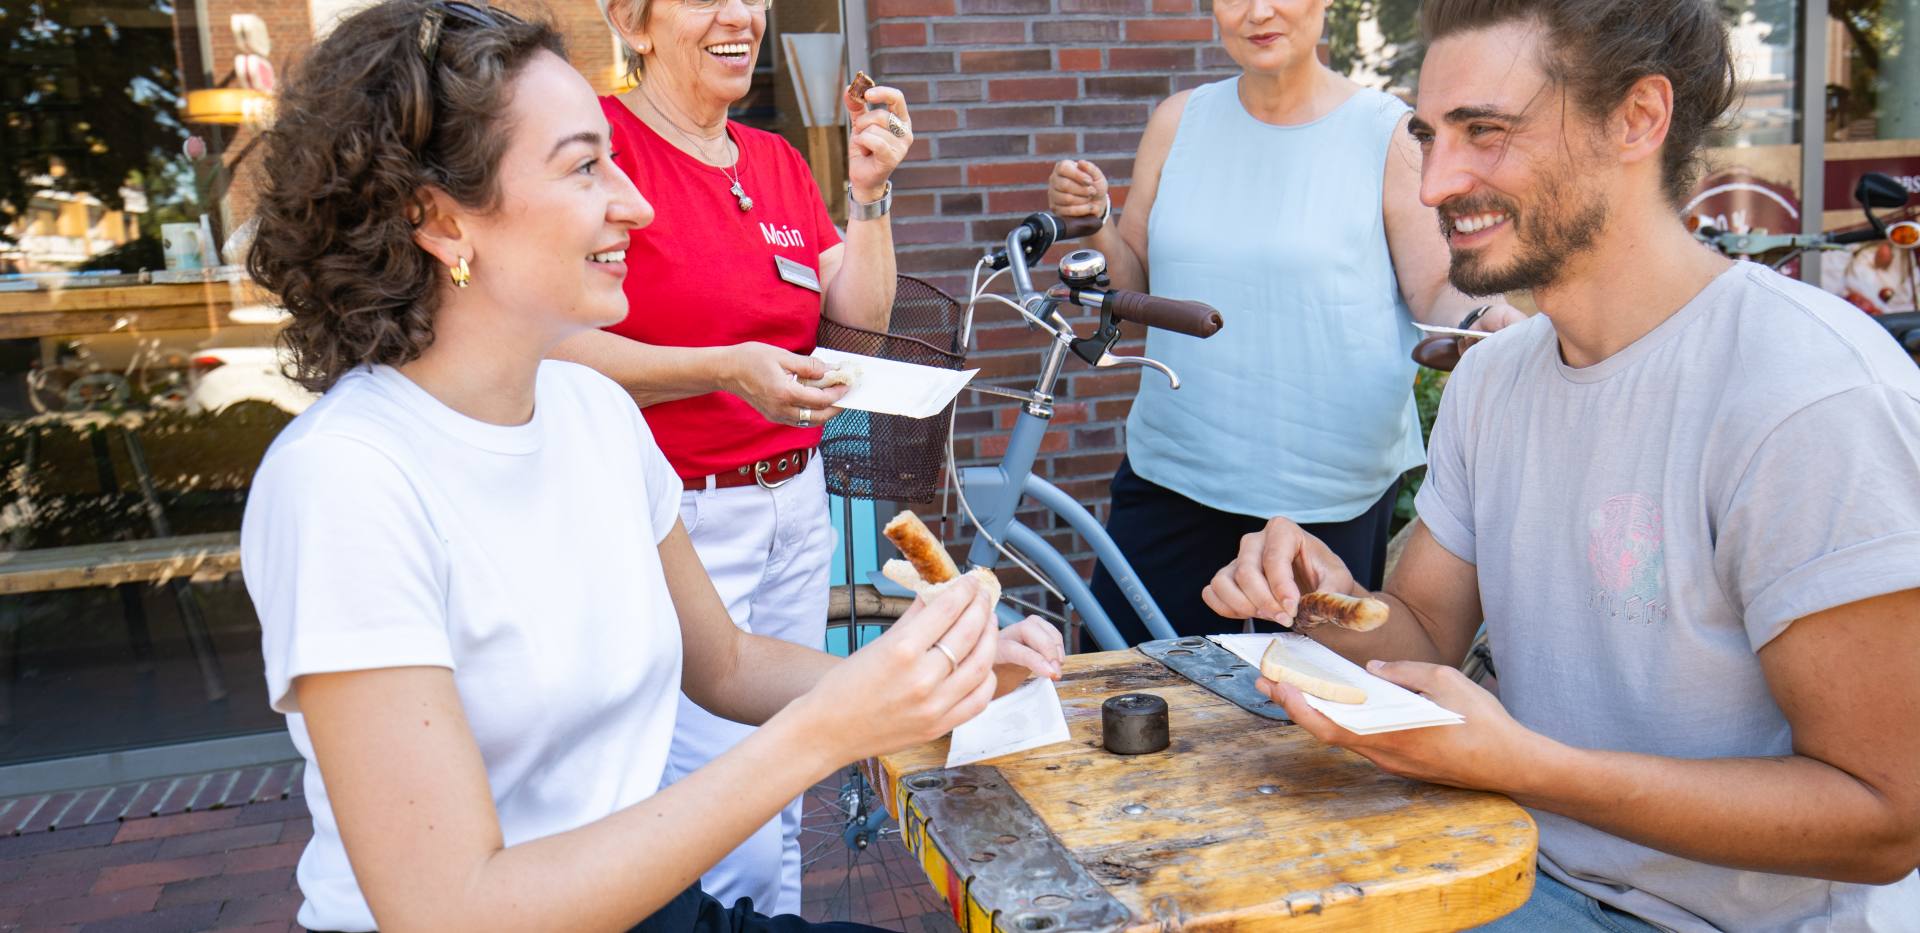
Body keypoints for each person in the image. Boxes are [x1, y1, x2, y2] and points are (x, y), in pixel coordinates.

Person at [239, 3, 1063, 930]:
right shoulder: (345, 481)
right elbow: (450, 910)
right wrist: (827, 731)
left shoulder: (594, 414)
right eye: (586, 168)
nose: (633, 203)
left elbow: (729, 662)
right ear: (437, 221)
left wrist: (938, 676)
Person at [1202, 1, 1920, 930]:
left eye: (1487, 133)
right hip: (1512, 866)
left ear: (1638, 120)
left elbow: (1885, 817)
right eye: (1430, 136)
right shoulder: (1496, 379)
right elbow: (1421, 633)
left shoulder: (1810, 394)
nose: (1436, 182)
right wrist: (1321, 599)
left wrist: (1526, 768)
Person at [552, 0, 914, 912]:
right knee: (711, 796)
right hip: (681, 516)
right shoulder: (599, 150)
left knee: (779, 782)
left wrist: (868, 194)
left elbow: (857, 323)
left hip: (797, 499)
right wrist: (724, 369)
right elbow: (553, 347)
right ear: (630, 25)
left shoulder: (776, 160)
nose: (739, 14)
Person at [1046, 0, 1522, 645]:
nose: (1258, 12)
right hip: (1175, 469)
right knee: (1132, 692)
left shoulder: (1387, 131)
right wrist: (1097, 221)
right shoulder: (1178, 122)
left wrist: (1481, 319)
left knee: (1298, 720)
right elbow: (1137, 285)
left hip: (1326, 489)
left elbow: (1434, 288)